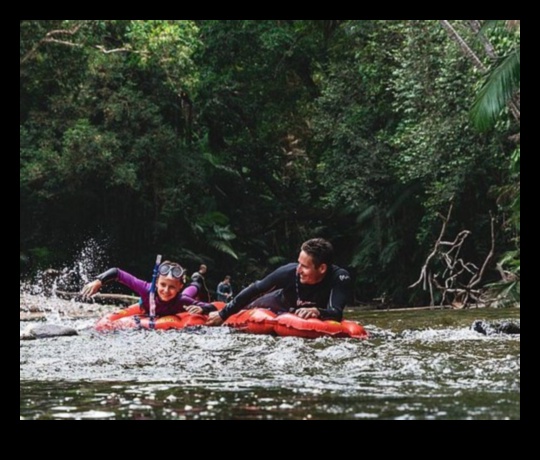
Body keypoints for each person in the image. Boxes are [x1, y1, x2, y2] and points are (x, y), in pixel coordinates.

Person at [206, 238, 352, 326]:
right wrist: (223, 314)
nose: (298, 270)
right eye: (298, 263)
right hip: (278, 302)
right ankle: (208, 307)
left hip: (300, 311)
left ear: (322, 268)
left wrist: (317, 311)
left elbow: (336, 312)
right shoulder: (288, 272)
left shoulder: (339, 277)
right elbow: (255, 289)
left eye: (305, 266)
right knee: (248, 307)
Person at [80, 260, 217, 316]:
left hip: (183, 298)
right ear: (156, 282)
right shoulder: (146, 289)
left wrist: (203, 308)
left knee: (192, 289)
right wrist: (98, 281)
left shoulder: (183, 300)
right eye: (163, 285)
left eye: (172, 287)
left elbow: (215, 307)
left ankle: (196, 280)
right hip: (149, 307)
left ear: (179, 287)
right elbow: (117, 273)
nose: (166, 290)